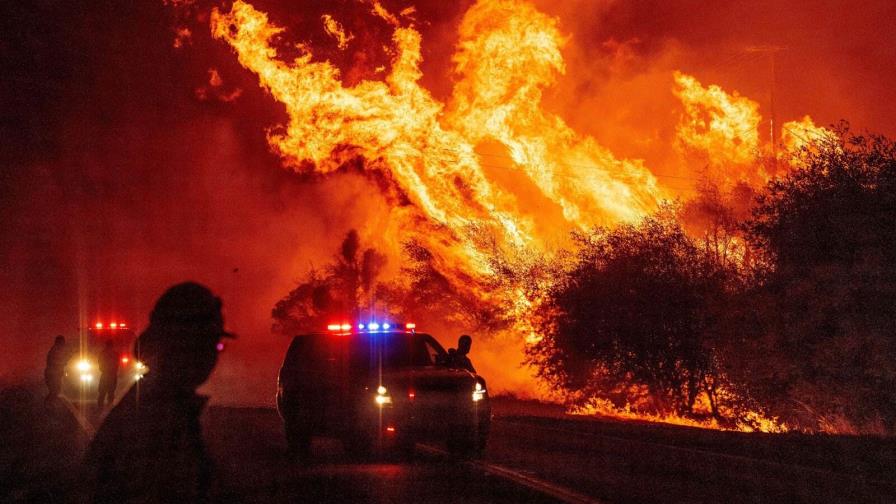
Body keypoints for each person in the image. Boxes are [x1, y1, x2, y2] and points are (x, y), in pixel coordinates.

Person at [84, 282, 235, 503]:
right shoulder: (158, 419)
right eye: (212, 342)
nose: (214, 354)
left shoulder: (160, 405)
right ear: (186, 343)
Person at [44, 335, 73, 401]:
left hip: (52, 373)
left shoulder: (56, 350)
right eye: (62, 342)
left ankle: (49, 405)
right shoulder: (56, 351)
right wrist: (66, 360)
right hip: (53, 374)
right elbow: (57, 362)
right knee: (55, 390)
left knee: (55, 391)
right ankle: (49, 406)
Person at [96, 340, 119, 409]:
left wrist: (102, 369)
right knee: (111, 391)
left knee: (102, 391)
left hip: (105, 374)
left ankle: (100, 405)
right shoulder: (115, 354)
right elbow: (117, 363)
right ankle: (109, 405)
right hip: (112, 374)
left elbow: (100, 362)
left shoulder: (103, 353)